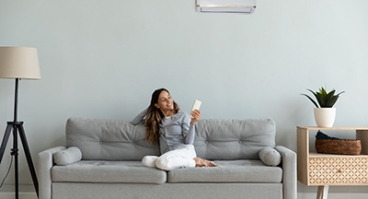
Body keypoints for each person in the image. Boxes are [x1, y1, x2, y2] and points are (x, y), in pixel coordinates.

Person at [130, 88, 217, 171]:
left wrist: (192, 123)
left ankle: (194, 162)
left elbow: (189, 142)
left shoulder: (182, 116)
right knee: (146, 160)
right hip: (168, 156)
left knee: (162, 162)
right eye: (163, 100)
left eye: (169, 97)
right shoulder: (157, 120)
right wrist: (151, 108)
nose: (169, 101)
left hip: (184, 151)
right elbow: (134, 122)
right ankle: (170, 163)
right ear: (157, 104)